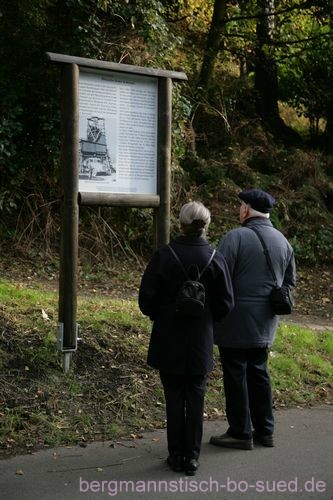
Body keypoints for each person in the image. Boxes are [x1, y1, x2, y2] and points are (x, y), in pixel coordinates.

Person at [138, 201, 234, 475]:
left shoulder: (164, 255)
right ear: (206, 225)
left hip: (168, 337)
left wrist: (162, 313)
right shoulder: (216, 257)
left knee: (173, 397)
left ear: (180, 224)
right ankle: (192, 458)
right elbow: (227, 303)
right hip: (200, 339)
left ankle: (176, 454)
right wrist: (207, 316)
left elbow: (146, 300)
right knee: (196, 397)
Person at [210, 189, 296, 450]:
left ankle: (240, 432)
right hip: (265, 322)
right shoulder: (283, 242)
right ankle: (265, 431)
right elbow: (290, 283)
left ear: (247, 209)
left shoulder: (235, 238)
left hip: (235, 321)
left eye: (240, 206)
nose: (239, 210)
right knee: (259, 373)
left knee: (235, 374)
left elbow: (218, 277)